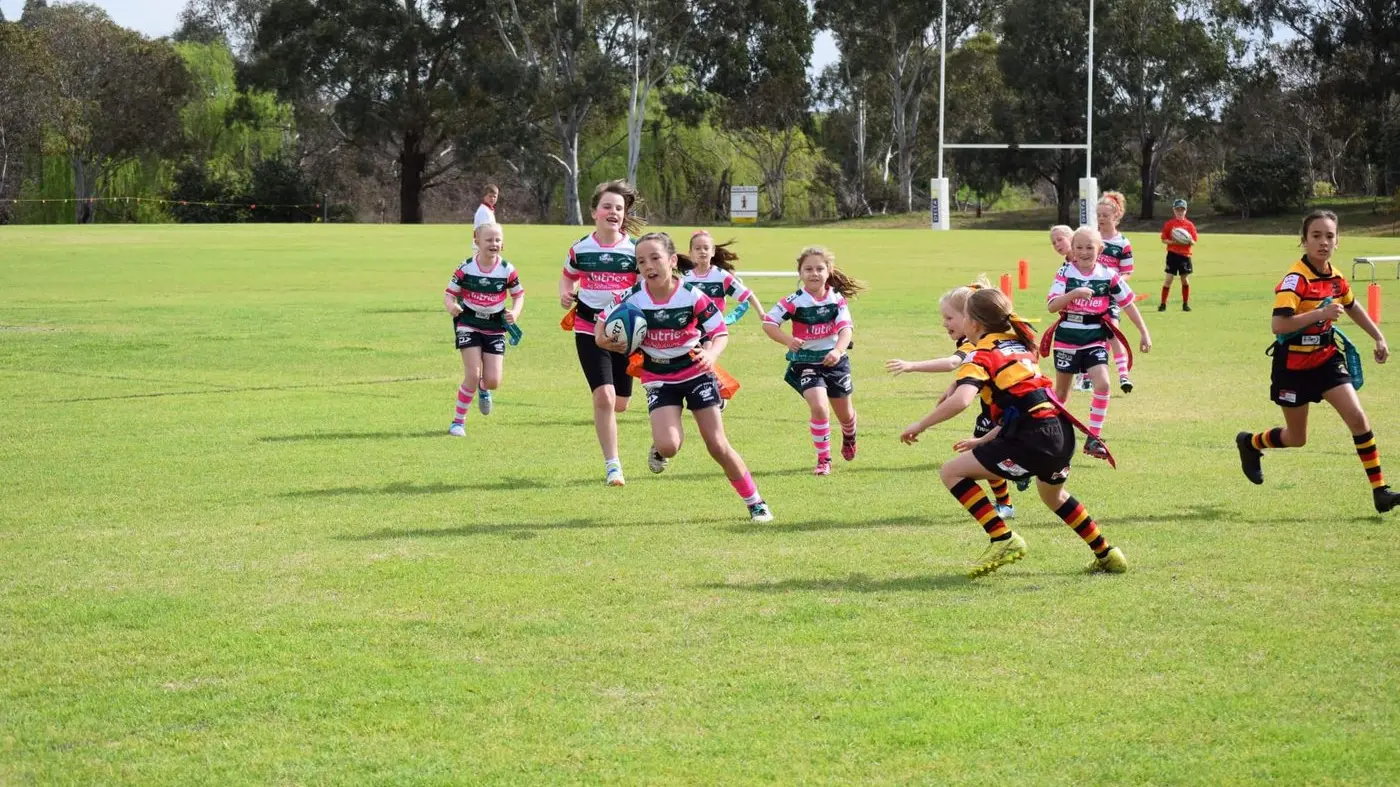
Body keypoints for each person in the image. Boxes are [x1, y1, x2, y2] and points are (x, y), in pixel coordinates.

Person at [899, 288, 1129, 577]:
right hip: (1059, 431)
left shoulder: (982, 355)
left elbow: (961, 400)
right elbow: (1021, 402)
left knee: (951, 472)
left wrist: (919, 425)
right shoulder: (1019, 344)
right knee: (1053, 497)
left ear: (974, 322)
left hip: (1033, 439)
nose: (949, 323)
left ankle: (1002, 538)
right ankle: (1108, 554)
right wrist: (983, 440)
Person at [596, 232, 774, 521]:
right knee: (668, 446)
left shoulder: (692, 295)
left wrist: (712, 354)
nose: (648, 266)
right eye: (641, 261)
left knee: (717, 444)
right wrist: (605, 341)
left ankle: (755, 502)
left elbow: (719, 332)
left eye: (655, 258)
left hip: (695, 370)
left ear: (672, 260)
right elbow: (601, 325)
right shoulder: (632, 297)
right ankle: (661, 445)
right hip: (658, 375)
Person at [1236, 210, 1400, 513]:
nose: (1323, 242)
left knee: (1358, 419)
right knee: (1296, 438)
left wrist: (1378, 337)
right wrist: (1319, 314)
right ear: (1304, 241)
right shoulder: (1294, 280)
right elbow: (1279, 325)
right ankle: (1250, 443)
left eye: (1329, 236)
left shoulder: (1337, 278)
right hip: (1293, 368)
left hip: (1326, 360)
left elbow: (1352, 306)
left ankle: (1380, 490)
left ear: (1337, 242)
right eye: (1316, 236)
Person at [886, 279, 1016, 519]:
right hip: (997, 407)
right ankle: (1005, 502)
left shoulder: (973, 343)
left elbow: (953, 363)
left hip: (1001, 410)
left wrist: (912, 365)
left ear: (969, 318)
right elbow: (971, 372)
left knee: (984, 454)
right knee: (986, 450)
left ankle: (1009, 494)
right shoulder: (983, 340)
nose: (944, 324)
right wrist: (955, 384)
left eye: (949, 318)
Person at [559, 180, 645, 486]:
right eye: (607, 207)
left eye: (619, 208)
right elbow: (568, 276)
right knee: (605, 397)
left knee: (621, 402)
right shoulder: (581, 248)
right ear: (594, 212)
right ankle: (613, 466)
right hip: (588, 329)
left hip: (625, 334)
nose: (613, 212)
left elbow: (649, 285)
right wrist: (566, 294)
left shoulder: (635, 251)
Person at [1045, 226, 1152, 459]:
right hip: (1067, 339)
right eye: (1079, 247)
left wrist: (1144, 332)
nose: (1084, 252)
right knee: (1061, 394)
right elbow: (1052, 305)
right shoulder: (1065, 272)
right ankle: (1046, 435)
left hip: (1094, 337)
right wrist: (1073, 294)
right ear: (1072, 249)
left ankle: (1093, 438)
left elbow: (1128, 304)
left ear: (1100, 249)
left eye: (1089, 248)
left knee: (1102, 384)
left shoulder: (1108, 275)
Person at [762, 247, 863, 476]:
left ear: (828, 272)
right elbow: (768, 323)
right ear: (799, 273)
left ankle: (849, 435)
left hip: (835, 363)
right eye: (808, 269)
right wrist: (788, 340)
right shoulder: (794, 301)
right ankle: (823, 459)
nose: (814, 273)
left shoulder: (837, 300)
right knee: (819, 407)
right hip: (806, 363)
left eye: (819, 268)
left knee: (845, 414)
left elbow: (846, 329)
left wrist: (837, 350)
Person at [443, 223, 523, 434]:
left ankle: (484, 387)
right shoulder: (466, 267)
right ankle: (458, 422)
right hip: (468, 324)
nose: (493, 244)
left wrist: (514, 313)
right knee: (472, 373)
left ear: (502, 244)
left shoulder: (507, 269)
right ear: (477, 241)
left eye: (497, 240)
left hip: (495, 326)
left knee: (493, 381)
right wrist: (451, 306)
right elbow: (449, 293)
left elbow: (518, 295)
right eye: (488, 240)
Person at [1097, 191, 1137, 392]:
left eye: (1105, 215)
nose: (1101, 219)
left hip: (1111, 296)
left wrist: (1115, 282)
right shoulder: (1092, 237)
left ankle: (1123, 375)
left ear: (1116, 216)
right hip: (1090, 297)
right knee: (1094, 337)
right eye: (1099, 215)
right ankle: (1088, 377)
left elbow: (1128, 272)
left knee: (1113, 331)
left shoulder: (1123, 243)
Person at [681, 230, 764, 322]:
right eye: (697, 248)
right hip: (691, 332)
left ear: (713, 252)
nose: (702, 251)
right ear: (691, 253)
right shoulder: (685, 277)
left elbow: (747, 295)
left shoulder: (721, 276)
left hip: (715, 331)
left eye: (706, 248)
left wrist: (761, 313)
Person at [1159, 198, 1198, 312]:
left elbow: (1194, 240)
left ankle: (1185, 304)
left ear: (1185, 211)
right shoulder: (1170, 224)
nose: (1180, 212)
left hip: (1185, 256)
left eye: (1182, 209)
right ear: (1174, 210)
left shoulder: (1189, 225)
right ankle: (1163, 304)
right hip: (1172, 255)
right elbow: (1163, 239)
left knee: (1185, 280)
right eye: (1177, 209)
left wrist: (1189, 241)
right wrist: (1174, 242)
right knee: (1168, 279)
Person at [470, 184, 499, 253]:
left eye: (494, 196)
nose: (492, 199)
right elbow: (484, 233)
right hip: (482, 248)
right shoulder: (484, 212)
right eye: (490, 196)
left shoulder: (488, 210)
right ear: (484, 196)